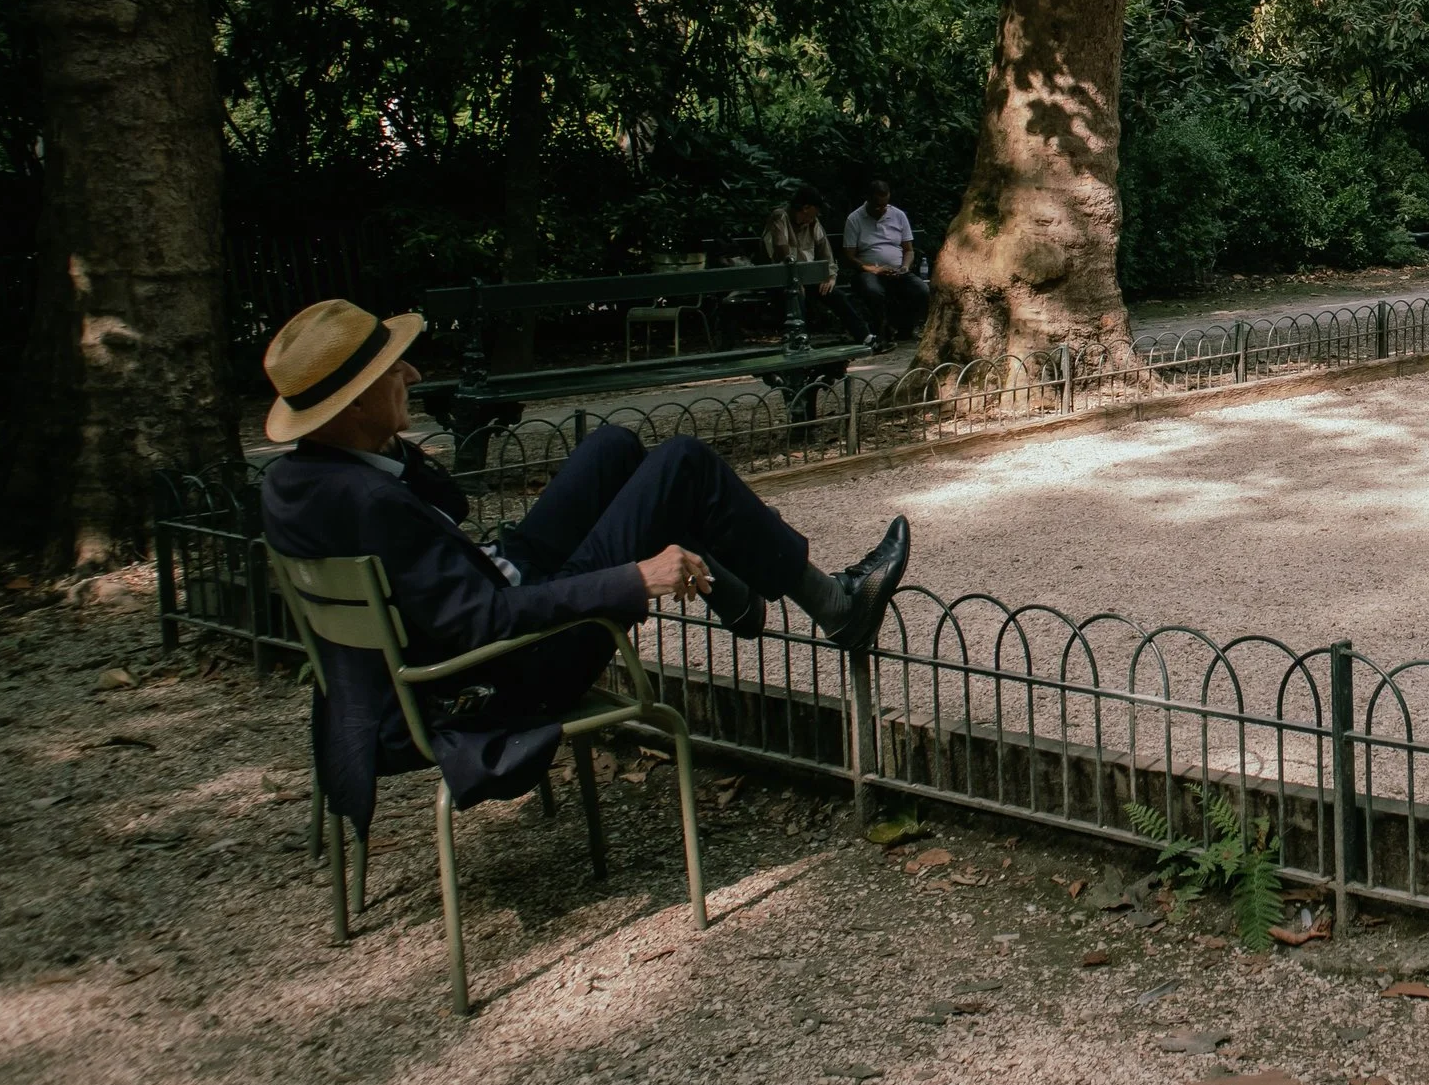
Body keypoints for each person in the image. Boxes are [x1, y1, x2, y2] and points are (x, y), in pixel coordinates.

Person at [258, 299, 912, 831]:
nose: (413, 377)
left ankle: (737, 596)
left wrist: (393, 447)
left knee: (612, 447)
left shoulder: (299, 480)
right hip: (510, 666)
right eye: (394, 372)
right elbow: (482, 622)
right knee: (680, 464)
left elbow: (447, 517)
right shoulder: (372, 502)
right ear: (351, 407)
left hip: (473, 607)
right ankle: (836, 606)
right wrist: (637, 578)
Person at [763, 185, 877, 348]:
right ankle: (799, 339)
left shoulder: (813, 223)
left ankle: (864, 336)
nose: (816, 215)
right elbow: (782, 250)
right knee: (795, 296)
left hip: (806, 277)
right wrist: (796, 279)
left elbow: (826, 253)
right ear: (805, 208)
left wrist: (830, 276)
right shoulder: (780, 217)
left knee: (836, 295)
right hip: (782, 278)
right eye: (815, 211)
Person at [843, 177, 930, 343]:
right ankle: (881, 330)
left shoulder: (898, 215)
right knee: (873, 290)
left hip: (897, 270)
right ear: (868, 199)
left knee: (921, 290)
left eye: (884, 205)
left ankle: (905, 329)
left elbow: (909, 250)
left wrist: (905, 267)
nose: (881, 209)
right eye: (877, 205)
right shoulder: (854, 219)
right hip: (870, 271)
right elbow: (849, 256)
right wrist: (872, 269)